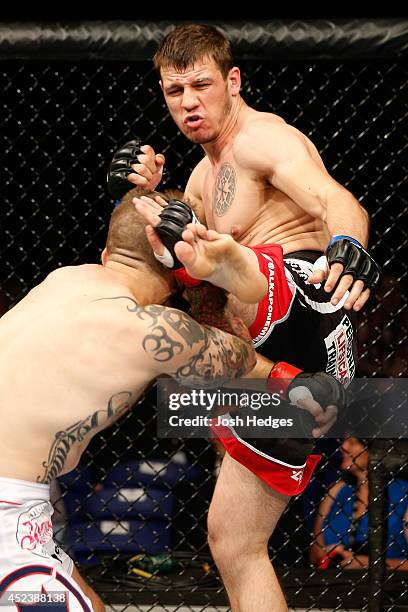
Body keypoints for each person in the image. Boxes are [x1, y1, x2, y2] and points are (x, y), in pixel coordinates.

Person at [106, 24, 380, 611]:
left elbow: (337, 201)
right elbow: (171, 262)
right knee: (233, 542)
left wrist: (351, 245)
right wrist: (150, 198)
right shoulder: (203, 178)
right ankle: (225, 261)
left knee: (227, 262)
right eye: (174, 92)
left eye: (201, 85)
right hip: (282, 372)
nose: (189, 103)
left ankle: (234, 263)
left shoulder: (263, 138)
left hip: (309, 309)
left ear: (232, 81)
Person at [0, 187, 259, 611]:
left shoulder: (63, 279)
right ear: (176, 267)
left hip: (23, 515)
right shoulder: (154, 331)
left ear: (106, 252)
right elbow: (241, 356)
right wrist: (203, 277)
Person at [310, 437, 408, 571]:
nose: (343, 447)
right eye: (344, 442)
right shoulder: (337, 491)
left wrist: (376, 564)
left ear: (375, 450)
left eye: (352, 443)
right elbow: (314, 552)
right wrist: (328, 554)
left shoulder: (403, 494)